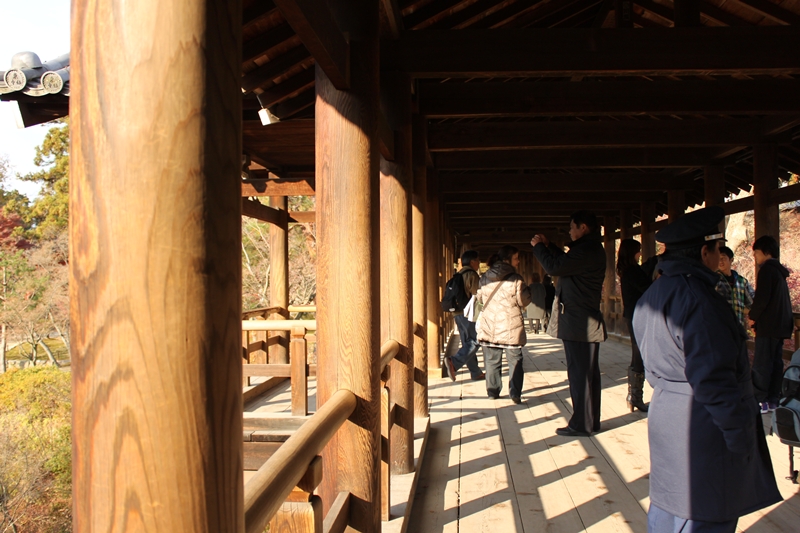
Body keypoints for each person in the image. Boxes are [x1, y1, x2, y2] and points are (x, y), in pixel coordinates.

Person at [633, 206, 781, 532]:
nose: (720, 256)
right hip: (703, 426)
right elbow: (714, 380)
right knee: (704, 515)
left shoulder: (652, 295)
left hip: (666, 415)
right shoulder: (700, 300)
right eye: (717, 249)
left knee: (668, 514)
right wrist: (742, 437)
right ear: (704, 252)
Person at [531, 211, 606, 436]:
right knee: (587, 373)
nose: (570, 232)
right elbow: (564, 263)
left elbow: (555, 268)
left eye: (572, 228)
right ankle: (590, 421)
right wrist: (550, 246)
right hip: (581, 320)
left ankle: (582, 423)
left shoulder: (587, 250)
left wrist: (539, 248)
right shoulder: (588, 250)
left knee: (580, 374)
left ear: (583, 227)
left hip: (580, 321)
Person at [476, 245, 532, 403]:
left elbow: (480, 298)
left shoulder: (485, 277)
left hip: (490, 324)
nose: (518, 261)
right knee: (515, 360)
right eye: (516, 258)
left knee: (492, 359)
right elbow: (524, 300)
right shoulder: (516, 279)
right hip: (510, 324)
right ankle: (515, 393)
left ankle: (493, 391)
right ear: (507, 259)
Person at [749, 235, 794, 413]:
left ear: (766, 252)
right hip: (781, 325)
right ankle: (774, 399)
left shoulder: (767, 270)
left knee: (762, 364)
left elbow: (762, 298)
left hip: (768, 325)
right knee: (775, 363)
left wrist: (753, 316)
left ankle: (760, 400)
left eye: (757, 254)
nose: (756, 258)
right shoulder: (780, 273)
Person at [616, 238, 656, 413]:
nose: (640, 254)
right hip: (638, 316)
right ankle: (635, 397)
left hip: (632, 315)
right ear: (633, 252)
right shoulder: (633, 271)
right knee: (639, 354)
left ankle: (634, 396)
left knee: (637, 353)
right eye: (638, 251)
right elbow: (648, 288)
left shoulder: (627, 271)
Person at [444, 250, 486, 382]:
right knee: (476, 340)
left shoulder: (459, 274)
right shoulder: (471, 275)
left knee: (467, 342)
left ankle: (475, 372)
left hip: (457, 313)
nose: (479, 263)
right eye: (478, 260)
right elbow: (477, 295)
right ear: (472, 261)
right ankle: (454, 362)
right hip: (468, 313)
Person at [715, 245, 754, 332]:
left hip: (738, 327)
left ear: (731, 260)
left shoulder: (741, 281)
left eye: (723, 258)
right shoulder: (713, 280)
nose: (720, 261)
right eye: (718, 258)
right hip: (719, 328)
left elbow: (752, 302)